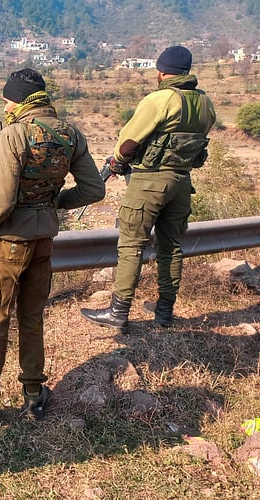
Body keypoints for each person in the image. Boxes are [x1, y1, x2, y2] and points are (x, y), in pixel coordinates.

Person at [0, 68, 105, 425]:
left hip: (7, 244)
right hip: (44, 240)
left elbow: (0, 203)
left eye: (6, 101)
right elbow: (94, 190)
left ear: (18, 100)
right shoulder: (70, 134)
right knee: (32, 319)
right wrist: (51, 205)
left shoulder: (13, 135)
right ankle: (35, 396)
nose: (4, 108)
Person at [80, 45, 215, 331]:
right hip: (181, 183)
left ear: (161, 71)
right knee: (171, 247)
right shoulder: (205, 104)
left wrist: (117, 162)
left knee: (131, 245)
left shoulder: (160, 99)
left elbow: (129, 143)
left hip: (149, 182)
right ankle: (165, 312)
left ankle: (118, 312)